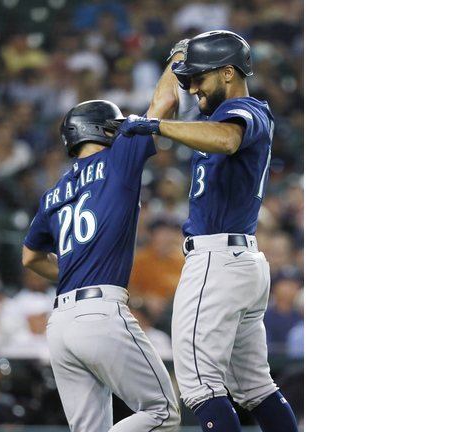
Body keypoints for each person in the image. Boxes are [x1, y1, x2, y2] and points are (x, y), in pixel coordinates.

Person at [119, 30, 299, 432]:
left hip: (219, 260)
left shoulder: (246, 111)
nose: (193, 86)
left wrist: (155, 128)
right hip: (238, 261)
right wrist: (177, 57)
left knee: (199, 385)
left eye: (200, 77)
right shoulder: (211, 117)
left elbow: (228, 138)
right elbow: (164, 105)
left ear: (230, 73)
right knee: (255, 385)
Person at [22, 99, 180, 431]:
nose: (118, 129)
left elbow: (30, 256)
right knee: (162, 411)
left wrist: (74, 272)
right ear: (100, 128)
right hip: (100, 313)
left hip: (61, 322)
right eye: (113, 125)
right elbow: (164, 102)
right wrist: (178, 55)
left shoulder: (52, 193)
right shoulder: (116, 158)